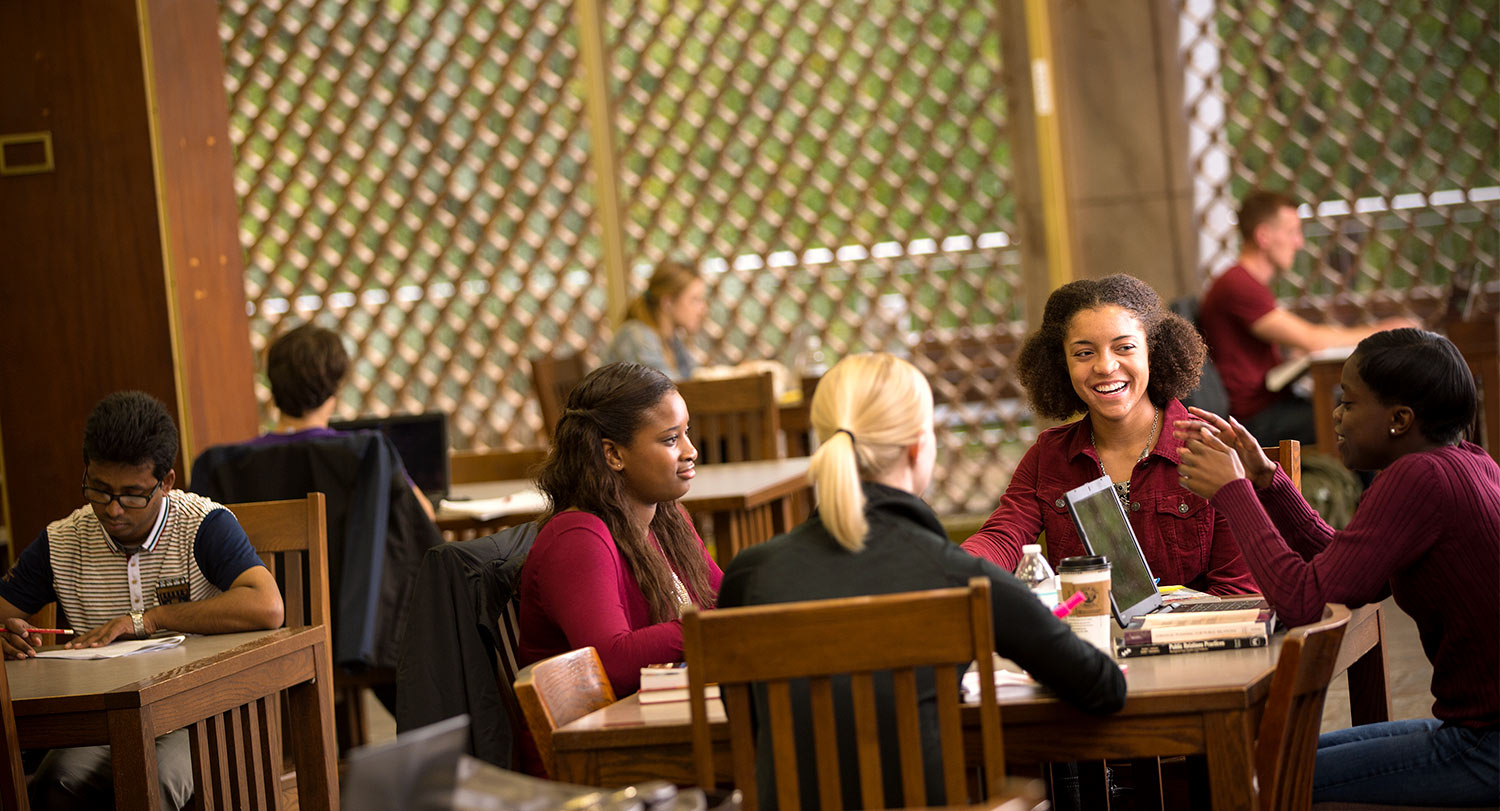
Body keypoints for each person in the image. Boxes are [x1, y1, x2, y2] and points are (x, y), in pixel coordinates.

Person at [719, 353, 1127, 809]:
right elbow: (1102, 687)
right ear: (918, 447)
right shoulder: (958, 577)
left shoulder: (748, 577)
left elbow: (748, 723)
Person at [1174, 328, 1499, 806]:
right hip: (1479, 733)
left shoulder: (1418, 477)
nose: (1335, 415)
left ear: (1399, 419)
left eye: (1348, 402)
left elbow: (1304, 600)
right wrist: (1267, 481)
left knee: (1252, 777)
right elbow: (1347, 568)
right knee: (1269, 756)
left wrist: (1234, 495)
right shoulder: (1467, 461)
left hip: (1482, 746)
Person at [0, 391, 284, 810]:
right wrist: (5, 635)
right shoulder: (63, 542)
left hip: (200, 716)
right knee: (54, 784)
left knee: (155, 781)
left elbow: (267, 605)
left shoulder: (202, 526)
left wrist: (147, 620)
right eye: (98, 490)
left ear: (165, 482)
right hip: (101, 723)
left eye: (132, 495)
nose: (113, 510)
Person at [962, 275, 1257, 594]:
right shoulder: (1049, 456)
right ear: (1062, 364)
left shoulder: (1212, 449)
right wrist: (953, 565)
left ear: (1153, 352)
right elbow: (1003, 537)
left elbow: (1239, 589)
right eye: (1084, 353)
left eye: (1124, 347)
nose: (1105, 366)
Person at [516, 362, 721, 697]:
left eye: (687, 432)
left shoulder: (668, 519)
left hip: (651, 713)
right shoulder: (577, 538)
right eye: (671, 439)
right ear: (612, 453)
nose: (691, 450)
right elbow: (612, 661)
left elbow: (722, 599)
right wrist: (703, 627)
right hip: (595, 738)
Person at [1200, 189, 1416, 444]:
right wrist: (1386, 331)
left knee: (1361, 408)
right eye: (1292, 232)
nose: (1299, 242)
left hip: (1269, 405)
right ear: (1263, 236)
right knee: (1364, 417)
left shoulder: (1245, 282)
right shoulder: (1238, 283)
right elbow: (1311, 339)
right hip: (1253, 419)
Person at [249, 322, 434, 519]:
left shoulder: (232, 464)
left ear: (273, 384)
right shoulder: (366, 452)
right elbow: (423, 516)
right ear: (334, 387)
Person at [603, 260, 708, 380]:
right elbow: (666, 392)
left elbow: (691, 378)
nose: (703, 308)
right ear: (667, 302)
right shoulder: (637, 336)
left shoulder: (672, 341)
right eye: (695, 300)